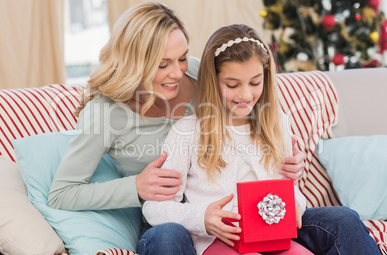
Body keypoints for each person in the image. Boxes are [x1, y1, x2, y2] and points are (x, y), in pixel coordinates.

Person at [48, 2, 305, 253]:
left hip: (230, 218)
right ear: (133, 62)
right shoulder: (103, 113)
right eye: (163, 64)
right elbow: (62, 193)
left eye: (181, 58)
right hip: (165, 221)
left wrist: (288, 162)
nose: (177, 73)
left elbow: (251, 108)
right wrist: (134, 186)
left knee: (338, 220)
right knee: (169, 236)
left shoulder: (196, 73)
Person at [142, 24, 380, 255]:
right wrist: (202, 217)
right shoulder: (188, 131)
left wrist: (296, 203)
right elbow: (155, 208)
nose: (246, 95)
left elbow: (290, 188)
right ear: (212, 81)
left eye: (255, 83)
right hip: (217, 238)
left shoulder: (276, 122)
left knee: (344, 218)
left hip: (274, 234)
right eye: (232, 85)